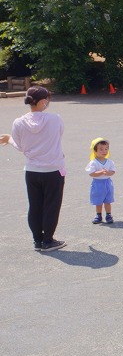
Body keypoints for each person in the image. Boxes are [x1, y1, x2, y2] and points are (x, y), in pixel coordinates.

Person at [0, 87, 67, 252]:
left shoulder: (19, 122)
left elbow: (20, 146)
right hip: (53, 169)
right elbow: (59, 135)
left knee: (35, 205)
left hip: (31, 170)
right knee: (51, 205)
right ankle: (48, 240)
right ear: (44, 101)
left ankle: (37, 240)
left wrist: (9, 139)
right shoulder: (55, 119)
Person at [86, 137, 116, 224]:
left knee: (108, 200)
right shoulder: (93, 162)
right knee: (98, 200)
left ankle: (109, 215)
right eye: (101, 149)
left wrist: (108, 173)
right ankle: (98, 215)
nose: (104, 151)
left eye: (106, 149)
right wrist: (100, 172)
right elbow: (91, 173)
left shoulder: (109, 162)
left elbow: (113, 171)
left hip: (107, 183)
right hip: (97, 183)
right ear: (95, 151)